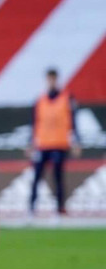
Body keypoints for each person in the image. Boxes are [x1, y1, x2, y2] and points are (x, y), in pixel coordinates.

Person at [28, 67, 80, 215]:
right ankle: (31, 207)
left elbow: (73, 121)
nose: (51, 81)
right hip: (42, 144)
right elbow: (34, 122)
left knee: (58, 176)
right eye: (49, 78)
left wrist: (75, 140)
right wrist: (31, 143)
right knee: (37, 176)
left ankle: (59, 208)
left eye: (53, 78)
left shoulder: (67, 98)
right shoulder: (40, 100)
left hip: (59, 143)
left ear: (57, 79)